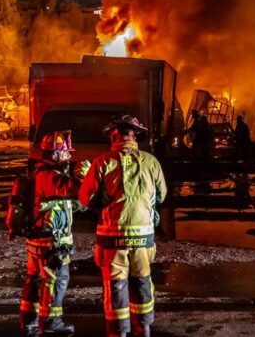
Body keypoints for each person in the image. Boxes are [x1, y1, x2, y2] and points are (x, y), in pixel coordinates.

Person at [79, 115, 167, 337]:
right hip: (144, 238)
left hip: (112, 239)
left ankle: (118, 332)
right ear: (135, 136)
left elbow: (85, 199)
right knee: (142, 282)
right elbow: (162, 195)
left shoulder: (102, 162)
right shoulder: (151, 161)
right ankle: (144, 328)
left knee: (116, 286)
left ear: (114, 134)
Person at [19, 131, 83, 337]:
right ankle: (51, 322)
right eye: (65, 154)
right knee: (56, 281)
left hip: (38, 240)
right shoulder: (49, 176)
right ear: (54, 154)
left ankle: (28, 322)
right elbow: (73, 189)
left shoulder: (40, 173)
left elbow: (72, 203)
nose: (68, 158)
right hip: (51, 243)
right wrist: (83, 175)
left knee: (34, 281)